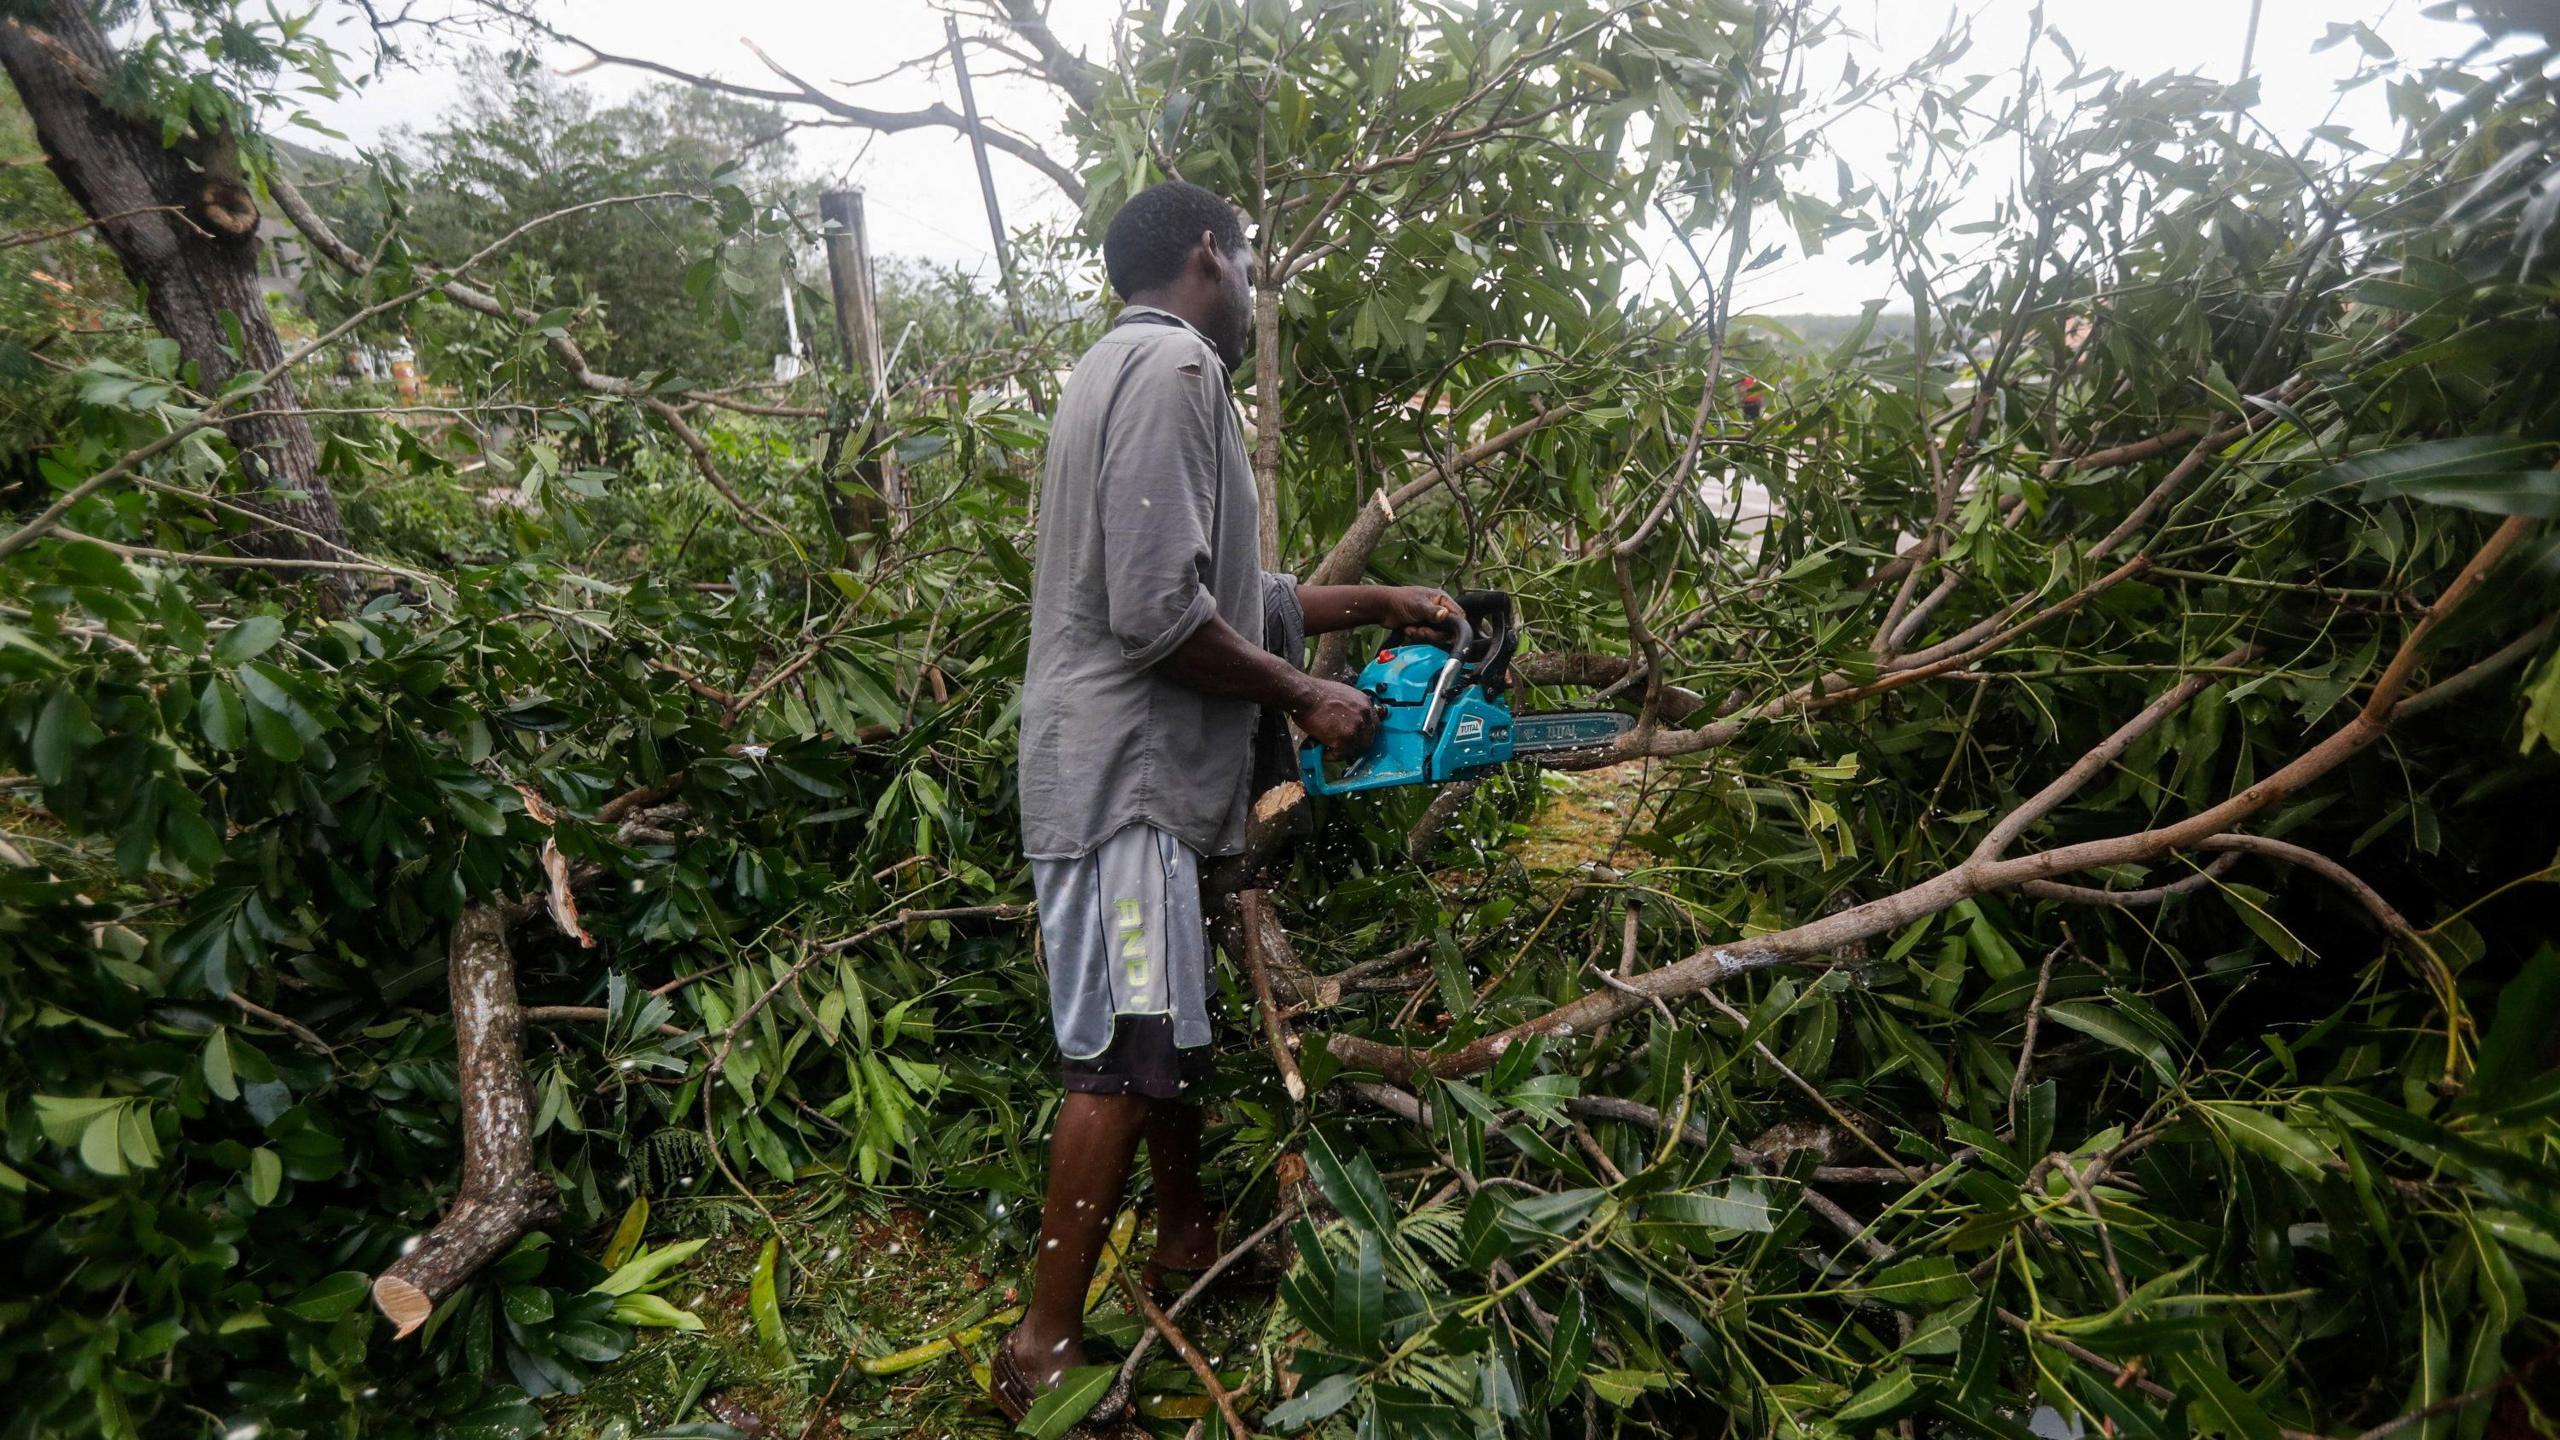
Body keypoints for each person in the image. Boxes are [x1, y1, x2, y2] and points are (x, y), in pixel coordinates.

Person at [994, 178, 1454, 1416]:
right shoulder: (1180, 372)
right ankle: (1040, 1349)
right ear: (1210, 251)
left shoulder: (1115, 371)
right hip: (1125, 791)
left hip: (1141, 788)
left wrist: (1381, 603)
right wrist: (1308, 699)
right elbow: (1158, 616)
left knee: (1166, 1020)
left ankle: (1183, 1239)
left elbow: (1231, 597)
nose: (1253, 293)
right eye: (1249, 263)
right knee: (1123, 1050)